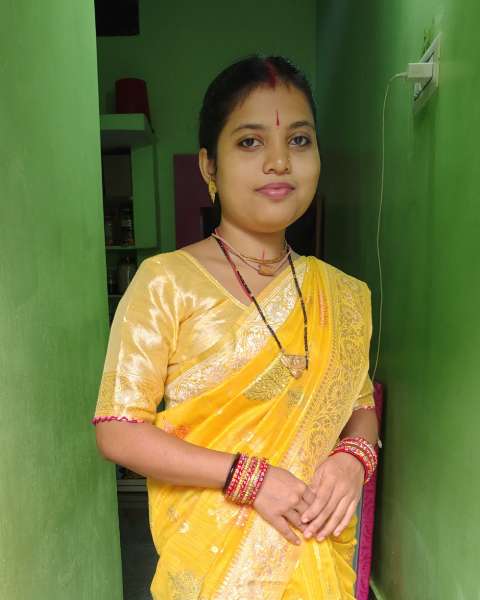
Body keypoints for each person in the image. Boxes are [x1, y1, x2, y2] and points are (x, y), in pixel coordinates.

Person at [92, 55, 380, 599]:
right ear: (209, 166)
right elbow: (117, 429)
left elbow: (359, 406)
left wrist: (353, 460)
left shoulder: (343, 295)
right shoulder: (166, 282)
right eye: (250, 142)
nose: (280, 162)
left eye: (299, 140)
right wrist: (251, 478)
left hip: (314, 560)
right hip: (211, 568)